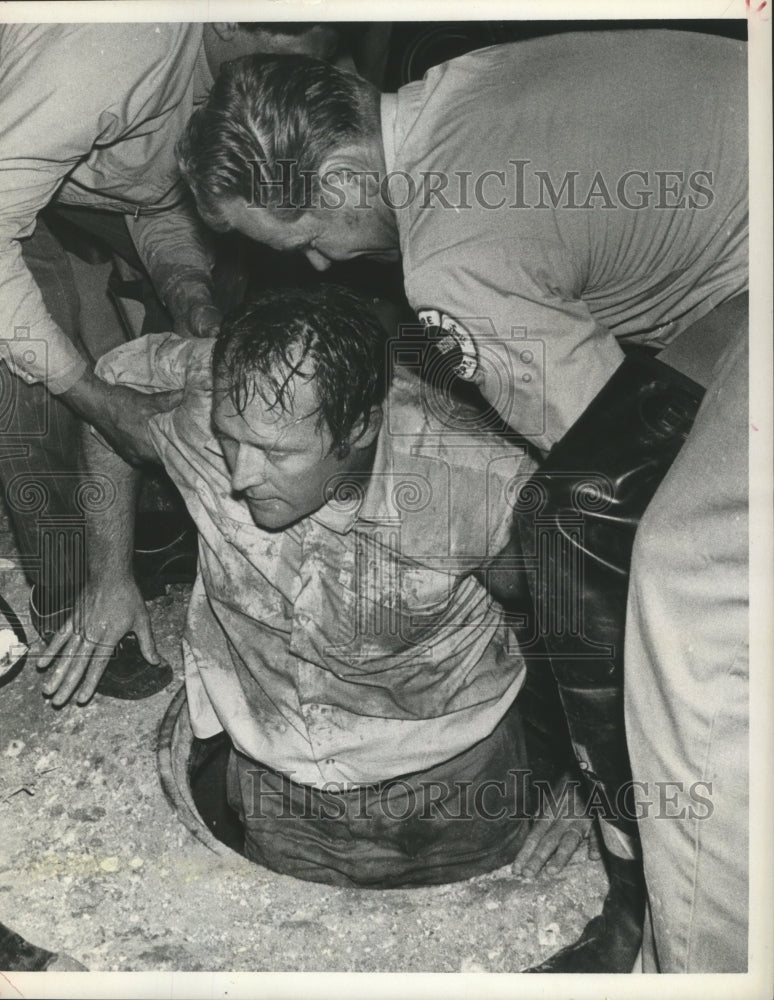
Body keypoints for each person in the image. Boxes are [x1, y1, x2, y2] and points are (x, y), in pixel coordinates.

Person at [175, 29, 749, 971]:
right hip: (731, 252)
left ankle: (668, 916)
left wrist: (598, 769)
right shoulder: (456, 89)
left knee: (669, 585)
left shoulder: (450, 263)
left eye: (310, 238)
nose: (320, 266)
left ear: (343, 176)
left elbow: (608, 491)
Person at [35, 285, 591, 889]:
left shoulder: (473, 484)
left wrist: (597, 781)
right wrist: (109, 576)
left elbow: (597, 614)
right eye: (231, 439)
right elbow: (110, 405)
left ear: (360, 427)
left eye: (277, 453)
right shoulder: (211, 397)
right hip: (277, 793)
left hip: (453, 797)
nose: (241, 475)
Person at [0, 22, 363, 698]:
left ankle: (158, 508)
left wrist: (188, 289)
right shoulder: (112, 50)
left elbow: (151, 199)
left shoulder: (233, 78)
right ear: (226, 17)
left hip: (56, 174)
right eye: (307, 40)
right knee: (26, 363)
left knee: (238, 268)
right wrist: (91, 394)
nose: (319, 61)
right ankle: (78, 592)